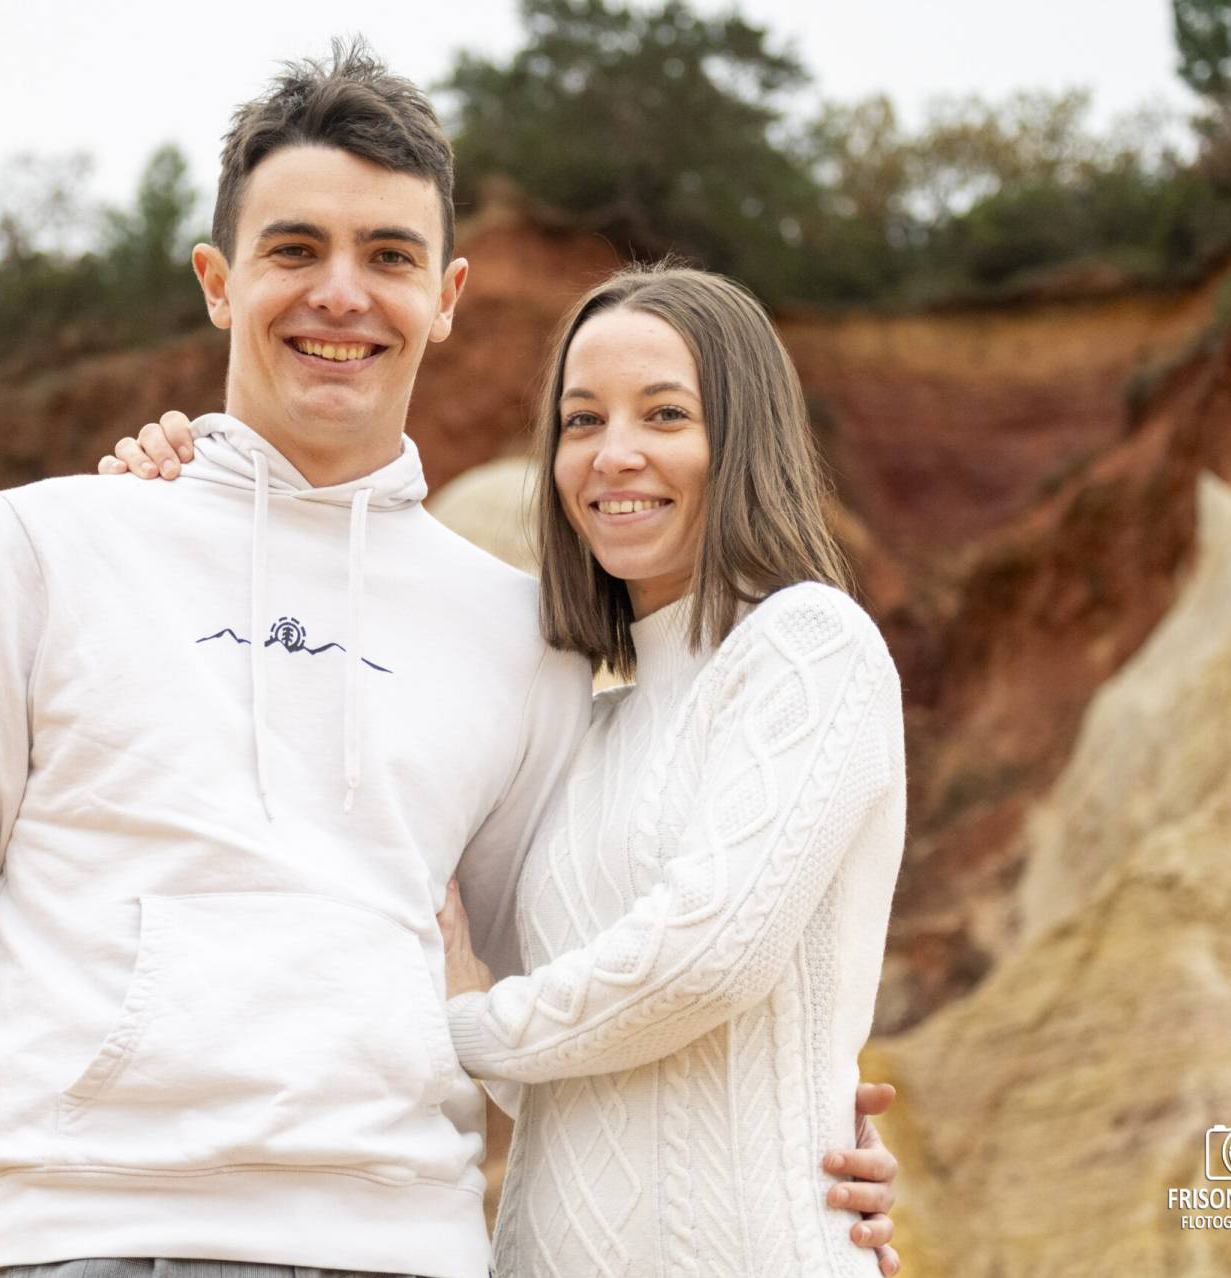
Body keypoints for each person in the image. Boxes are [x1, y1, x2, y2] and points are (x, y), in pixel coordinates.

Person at [0, 43, 898, 1278]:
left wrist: (803, 1140)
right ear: (217, 280)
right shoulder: (45, 547)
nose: (341, 294)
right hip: (99, 1239)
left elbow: (584, 982)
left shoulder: (520, 638)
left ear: (445, 296)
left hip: (416, 1252)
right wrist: (1, 1252)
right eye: (295, 250)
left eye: (388, 257)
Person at [105, 262, 905, 1278]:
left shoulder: (805, 646)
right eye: (580, 422)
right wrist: (175, 496)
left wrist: (469, 1022)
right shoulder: (584, 721)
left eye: (664, 415)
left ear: (742, 438)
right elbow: (568, 1078)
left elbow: (710, 955)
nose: (613, 456)